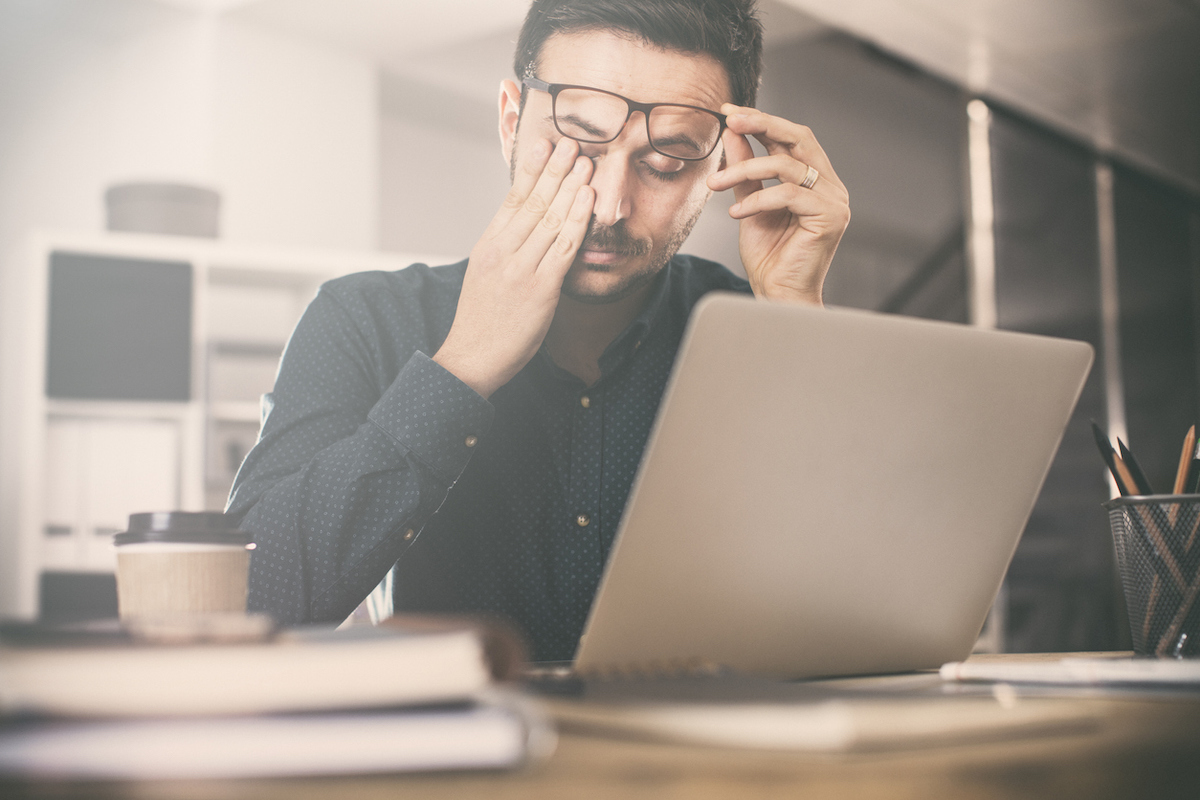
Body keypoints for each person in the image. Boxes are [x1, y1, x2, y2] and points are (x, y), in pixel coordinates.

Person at [227, 0, 850, 661]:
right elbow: (239, 603)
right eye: (580, 140)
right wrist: (462, 366)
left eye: (667, 159)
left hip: (698, 758)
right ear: (510, 122)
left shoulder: (755, 333)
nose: (610, 204)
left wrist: (793, 311)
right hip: (455, 759)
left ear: (722, 163)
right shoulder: (364, 320)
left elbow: (851, 602)